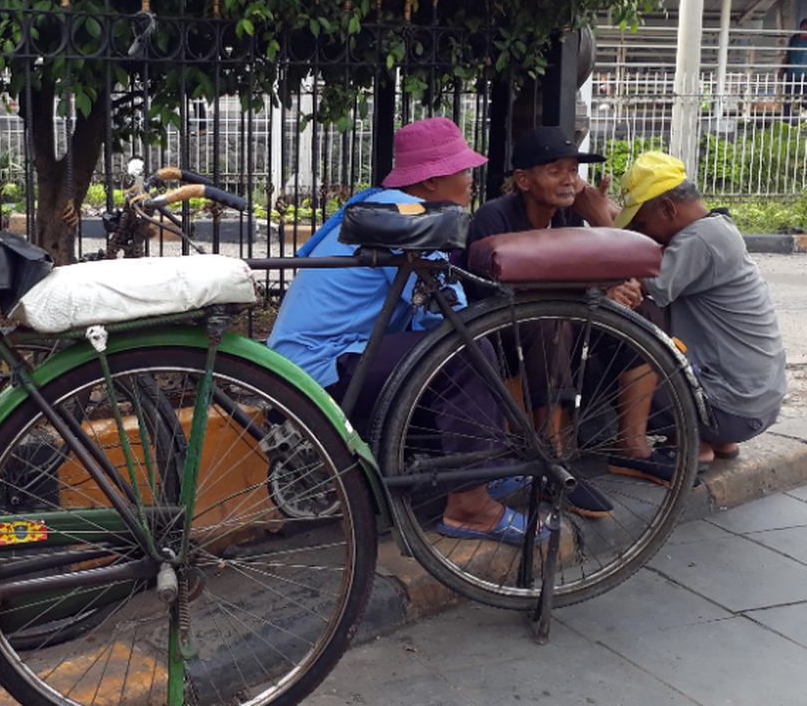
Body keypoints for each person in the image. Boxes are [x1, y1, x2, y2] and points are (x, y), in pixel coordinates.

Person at [268, 117, 545, 545]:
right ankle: (470, 507)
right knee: (466, 353)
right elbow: (446, 313)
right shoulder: (403, 217)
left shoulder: (389, 208)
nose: (472, 179)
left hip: (311, 365)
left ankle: (476, 478)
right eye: (463, 170)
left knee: (454, 352)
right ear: (432, 181)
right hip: (321, 371)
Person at [466, 126, 649, 519]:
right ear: (524, 180)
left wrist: (600, 218)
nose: (569, 180)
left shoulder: (569, 214)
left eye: (573, 170)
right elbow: (505, 295)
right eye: (555, 171)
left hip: (563, 320)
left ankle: (632, 445)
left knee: (643, 311)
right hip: (504, 332)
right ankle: (553, 460)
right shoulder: (493, 216)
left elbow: (612, 265)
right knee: (551, 323)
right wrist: (593, 289)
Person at [611, 151, 786, 467]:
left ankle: (691, 440)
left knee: (608, 369)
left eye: (641, 224)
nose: (640, 233)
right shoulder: (716, 229)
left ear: (667, 208)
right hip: (757, 406)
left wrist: (595, 214)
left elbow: (631, 269)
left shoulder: (700, 240)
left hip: (731, 409)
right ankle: (712, 438)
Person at [782, 18, 807, 117]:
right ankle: (786, 117)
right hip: (791, 72)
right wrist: (782, 68)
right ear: (800, 28)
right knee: (788, 97)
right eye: (804, 29)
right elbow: (788, 54)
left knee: (804, 98)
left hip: (805, 74)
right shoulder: (794, 39)